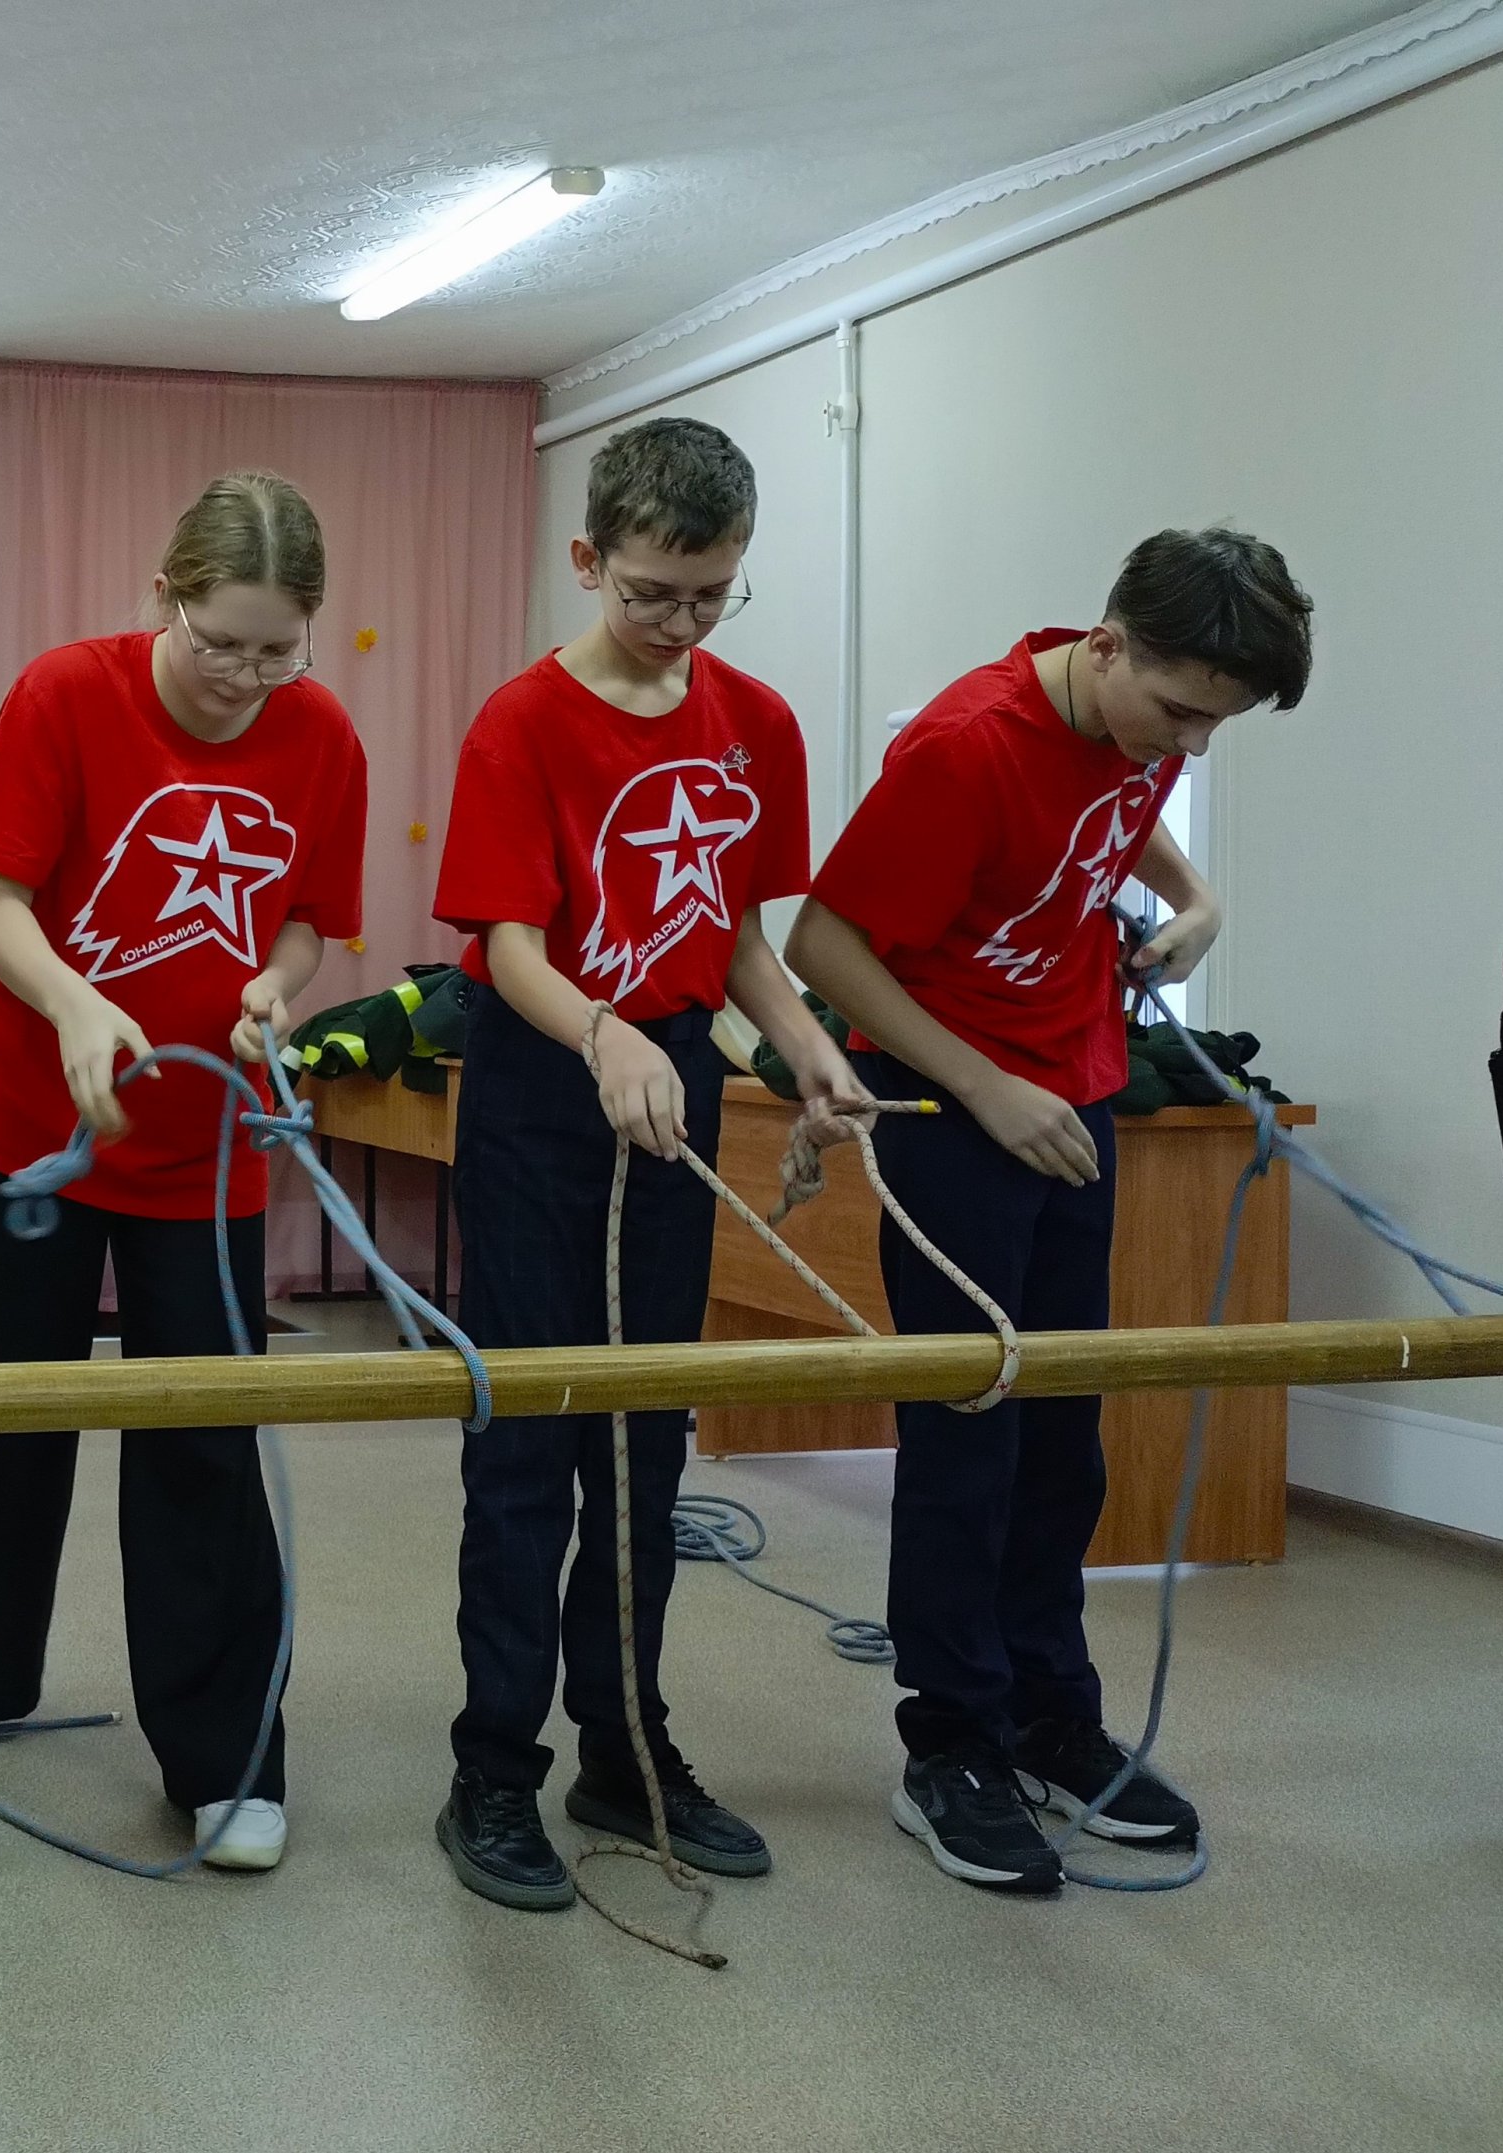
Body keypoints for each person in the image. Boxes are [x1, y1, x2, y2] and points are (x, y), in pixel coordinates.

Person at [787, 527, 1312, 1894]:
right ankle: (949, 1742)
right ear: (1108, 643)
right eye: (1183, 710)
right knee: (971, 1429)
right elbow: (823, 944)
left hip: (1073, 1093)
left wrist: (1195, 899)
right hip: (956, 1103)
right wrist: (982, 1089)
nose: (1189, 747)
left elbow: (1128, 829)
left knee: (1063, 1428)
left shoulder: (1133, 733)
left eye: (1218, 725)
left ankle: (1048, 1713)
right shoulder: (966, 747)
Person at [0, 472, 366, 1873]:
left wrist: (276, 992)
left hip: (202, 1156)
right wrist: (79, 1002)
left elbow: (304, 925)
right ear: (168, 593)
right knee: (3, 1410)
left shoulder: (323, 735)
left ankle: (225, 1759)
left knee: (202, 1448)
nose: (247, 676)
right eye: (223, 640)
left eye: (279, 649)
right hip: (28, 1128)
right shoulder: (66, 692)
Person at [429, 418, 864, 1911]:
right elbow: (504, 940)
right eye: (652, 593)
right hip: (544, 1089)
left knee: (645, 1441)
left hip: (669, 1085)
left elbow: (734, 929)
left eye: (711, 595)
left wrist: (801, 1042)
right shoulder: (521, 723)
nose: (682, 624)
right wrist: (607, 1034)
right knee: (531, 1441)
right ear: (588, 559)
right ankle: (495, 1766)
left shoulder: (756, 719)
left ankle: (624, 1742)